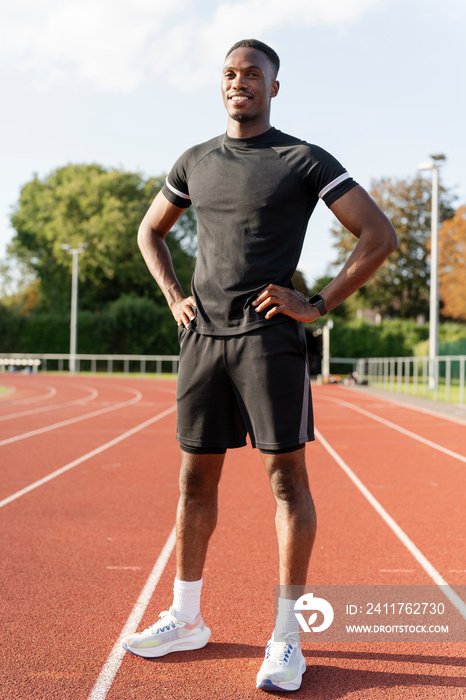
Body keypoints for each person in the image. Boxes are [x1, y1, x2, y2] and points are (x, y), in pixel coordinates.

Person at [122, 38, 398, 692]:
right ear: (220, 85)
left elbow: (379, 234)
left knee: (286, 483)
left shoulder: (301, 158)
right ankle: (186, 618)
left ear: (274, 87)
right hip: (203, 340)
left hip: (269, 339)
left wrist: (318, 302)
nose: (239, 82)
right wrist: (172, 297)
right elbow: (150, 230)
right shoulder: (194, 160)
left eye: (253, 74)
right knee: (194, 483)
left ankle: (286, 637)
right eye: (230, 73)